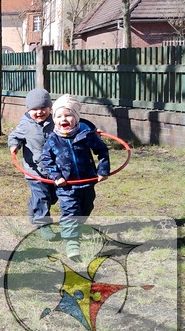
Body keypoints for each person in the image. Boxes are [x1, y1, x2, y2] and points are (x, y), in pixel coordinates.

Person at [39, 94, 110, 261]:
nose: (63, 119)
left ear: (76, 118)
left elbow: (102, 151)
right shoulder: (53, 139)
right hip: (66, 186)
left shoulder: (86, 135)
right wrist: (56, 176)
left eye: (68, 115)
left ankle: (76, 228)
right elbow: (46, 159)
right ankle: (72, 244)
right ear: (54, 119)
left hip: (87, 183)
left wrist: (103, 170)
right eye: (58, 116)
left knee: (86, 209)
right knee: (70, 212)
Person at [7, 88, 58, 240]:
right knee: (42, 197)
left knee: (53, 197)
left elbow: (75, 126)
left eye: (43, 108)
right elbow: (14, 136)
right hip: (34, 170)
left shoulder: (56, 121)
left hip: (55, 169)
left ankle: (34, 205)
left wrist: (92, 131)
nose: (39, 112)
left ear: (50, 108)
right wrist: (14, 145)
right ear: (28, 109)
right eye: (35, 109)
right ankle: (43, 225)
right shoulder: (25, 124)